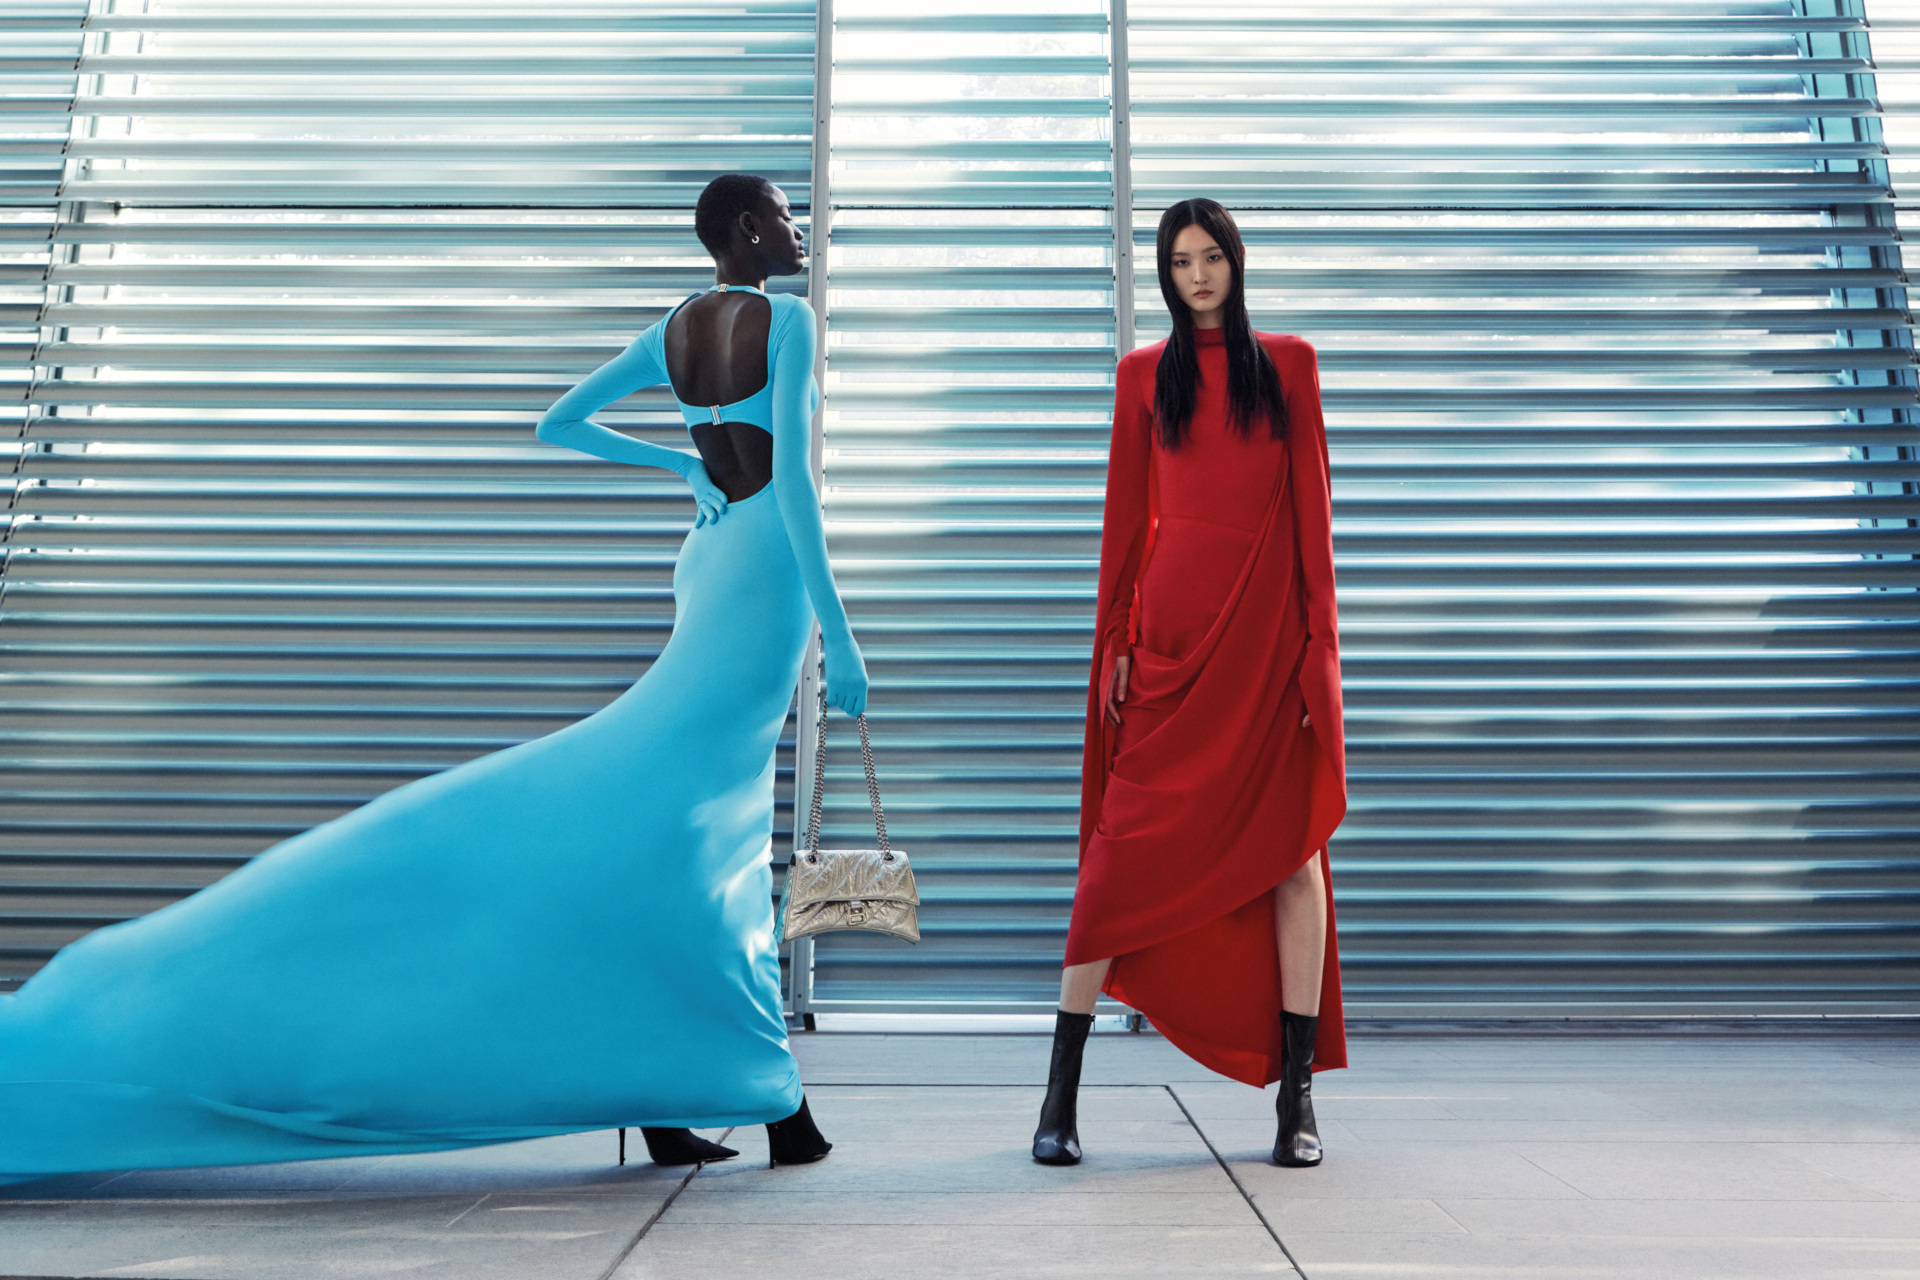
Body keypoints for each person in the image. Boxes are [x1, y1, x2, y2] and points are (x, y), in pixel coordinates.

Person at [0, 172, 859, 1183]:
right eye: (787, 214)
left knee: (689, 827)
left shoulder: (674, 328)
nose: (800, 230)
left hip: (711, 560)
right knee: (700, 826)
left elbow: (561, 421)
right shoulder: (787, 323)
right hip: (763, 572)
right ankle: (773, 1108)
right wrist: (839, 638)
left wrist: (682, 469)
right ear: (750, 228)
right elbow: (794, 482)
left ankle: (687, 1099)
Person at [1032, 198, 1347, 1170]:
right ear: (1164, 273)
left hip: (1265, 646)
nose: (1198, 275)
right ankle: (1059, 1095)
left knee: (1294, 855)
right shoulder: (1140, 378)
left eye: (1212, 257)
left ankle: (1296, 1101)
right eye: (1180, 260)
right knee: (1113, 862)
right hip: (1170, 647)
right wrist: (1119, 640)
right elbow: (1126, 528)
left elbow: (1314, 523)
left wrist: (1318, 656)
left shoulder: (1288, 365)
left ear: (1236, 264)